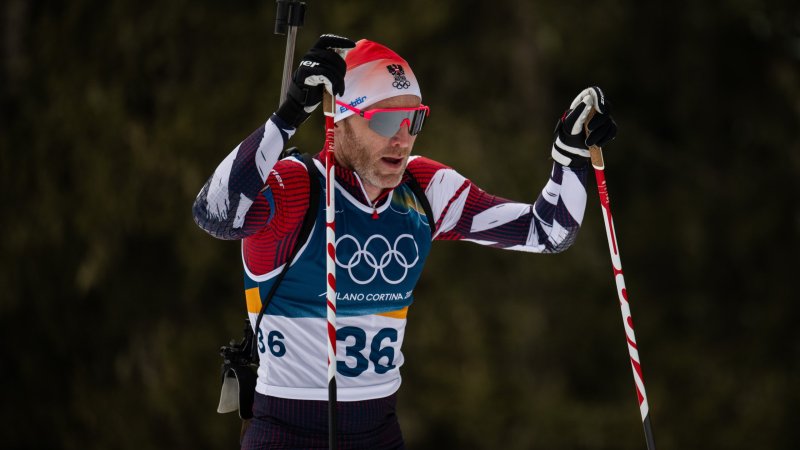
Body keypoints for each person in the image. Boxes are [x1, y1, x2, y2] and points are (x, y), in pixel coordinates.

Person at [193, 34, 616, 450]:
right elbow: (214, 214)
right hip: (287, 432)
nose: (402, 138)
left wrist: (570, 159)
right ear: (339, 117)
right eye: (383, 121)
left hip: (379, 431)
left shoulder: (423, 188)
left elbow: (549, 232)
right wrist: (287, 117)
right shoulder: (297, 187)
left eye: (414, 119)